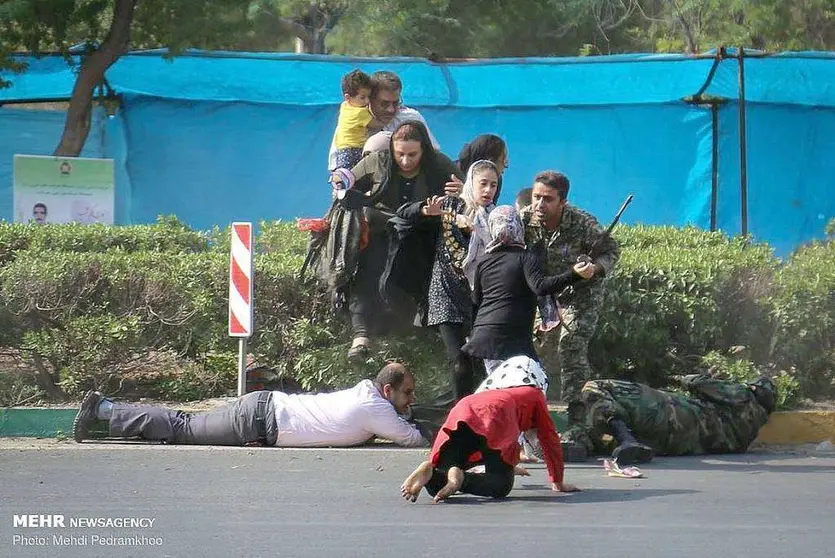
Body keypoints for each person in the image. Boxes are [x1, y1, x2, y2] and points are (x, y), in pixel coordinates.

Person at [331, 121, 462, 360]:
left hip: (422, 236)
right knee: (366, 275)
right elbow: (348, 181)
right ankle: (361, 337)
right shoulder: (377, 162)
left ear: (423, 150)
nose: (405, 160)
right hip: (380, 232)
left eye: (412, 154)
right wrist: (340, 185)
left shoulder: (440, 165)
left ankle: (421, 337)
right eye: (399, 153)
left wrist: (461, 191)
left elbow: (468, 195)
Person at [73, 363, 428, 448]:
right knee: (182, 428)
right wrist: (412, 418)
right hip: (259, 419)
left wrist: (406, 410)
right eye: (407, 393)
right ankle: (104, 410)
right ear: (387, 390)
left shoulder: (368, 395)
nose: (410, 399)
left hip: (263, 411)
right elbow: (413, 439)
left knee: (184, 424)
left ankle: (107, 414)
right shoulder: (377, 409)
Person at [520, 171, 620, 422]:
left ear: (562, 202)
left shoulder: (583, 222)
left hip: (581, 293)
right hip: (547, 291)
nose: (540, 205)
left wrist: (595, 269)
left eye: (548, 199)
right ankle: (532, 412)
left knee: (571, 345)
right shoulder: (524, 220)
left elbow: (612, 251)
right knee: (535, 347)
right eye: (536, 197)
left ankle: (577, 415)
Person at [400, 377, 580, 503]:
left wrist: (511, 464)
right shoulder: (536, 395)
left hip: (465, 408)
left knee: (437, 484)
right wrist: (557, 481)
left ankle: (429, 471)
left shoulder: (502, 391)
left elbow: (488, 445)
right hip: (497, 413)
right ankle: (462, 479)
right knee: (501, 485)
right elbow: (549, 439)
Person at [462, 205, 594, 374]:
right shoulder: (526, 258)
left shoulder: (483, 262)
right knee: (534, 384)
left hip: (483, 336)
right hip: (510, 338)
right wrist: (574, 274)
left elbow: (476, 302)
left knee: (501, 388)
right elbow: (540, 287)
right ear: (518, 226)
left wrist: (473, 334)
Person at [564, 374, 777, 464]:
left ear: (755, 390)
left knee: (597, 387)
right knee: (600, 416)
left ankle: (622, 439)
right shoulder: (746, 436)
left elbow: (698, 383)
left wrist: (676, 377)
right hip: (670, 444)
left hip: (670, 413)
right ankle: (579, 441)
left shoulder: (744, 396)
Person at [426, 160, 500, 400]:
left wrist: (475, 229)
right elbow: (455, 253)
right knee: (459, 361)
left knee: (479, 362)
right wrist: (460, 222)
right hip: (446, 294)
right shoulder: (450, 206)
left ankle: (475, 416)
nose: (488, 190)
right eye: (483, 184)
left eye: (493, 185)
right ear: (471, 183)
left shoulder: (494, 218)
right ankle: (460, 419)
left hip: (476, 297)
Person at [328, 71, 439, 170]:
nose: (391, 109)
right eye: (384, 103)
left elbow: (434, 155)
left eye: (395, 103)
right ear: (369, 99)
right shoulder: (352, 121)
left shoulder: (411, 118)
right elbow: (337, 168)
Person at [333, 69, 375, 170]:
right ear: (347, 97)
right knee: (356, 174)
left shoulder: (345, 106)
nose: (367, 101)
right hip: (354, 149)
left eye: (369, 96)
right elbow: (376, 124)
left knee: (344, 174)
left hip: (341, 150)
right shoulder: (360, 113)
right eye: (362, 97)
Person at [456, 134, 509, 201]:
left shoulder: (495, 180)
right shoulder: (452, 174)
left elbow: (489, 210)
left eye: (493, 186)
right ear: (489, 161)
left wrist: (467, 195)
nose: (506, 166)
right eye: (503, 160)